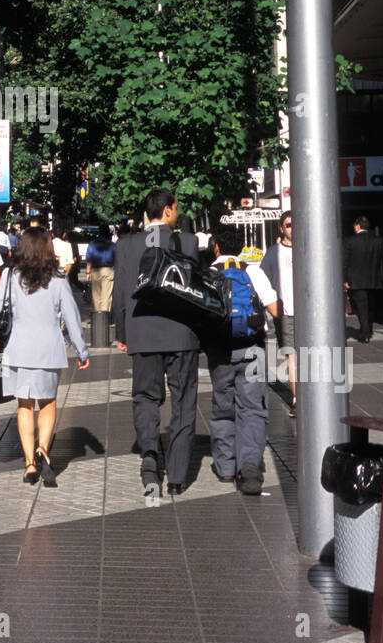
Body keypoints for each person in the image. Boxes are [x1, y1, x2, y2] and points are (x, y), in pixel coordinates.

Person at [113, 188, 201, 496]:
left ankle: (150, 454)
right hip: (182, 334)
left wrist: (122, 334)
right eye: (175, 209)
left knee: (146, 398)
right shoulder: (188, 242)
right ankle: (177, 476)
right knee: (183, 400)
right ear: (167, 211)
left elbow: (121, 292)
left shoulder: (126, 245)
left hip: (143, 334)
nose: (177, 213)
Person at [0, 227, 90, 485]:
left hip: (18, 349)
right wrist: (82, 350)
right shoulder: (57, 279)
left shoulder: (11, 276)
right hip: (49, 349)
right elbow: (71, 317)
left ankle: (29, 464)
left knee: (24, 405)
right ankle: (43, 448)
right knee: (48, 403)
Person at [206, 223, 280, 495]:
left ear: (216, 247)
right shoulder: (253, 271)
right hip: (252, 347)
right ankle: (249, 467)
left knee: (223, 406)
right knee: (252, 408)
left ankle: (225, 467)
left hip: (219, 350)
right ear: (241, 248)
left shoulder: (208, 274)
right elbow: (276, 310)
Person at [260, 209, 296, 416]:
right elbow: (264, 281)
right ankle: (296, 398)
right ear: (281, 228)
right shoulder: (273, 252)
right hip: (285, 313)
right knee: (293, 356)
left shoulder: (306, 249)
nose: (293, 229)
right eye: (289, 225)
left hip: (308, 313)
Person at [342, 216, 383, 343]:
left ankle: (365, 333)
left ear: (357, 226)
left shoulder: (349, 241)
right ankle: (368, 329)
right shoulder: (377, 241)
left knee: (361, 307)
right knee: (371, 306)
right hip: (374, 279)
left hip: (356, 280)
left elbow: (345, 262)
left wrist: (344, 279)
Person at [85, 224, 116, 313]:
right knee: (106, 296)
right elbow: (116, 259)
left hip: (95, 271)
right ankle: (105, 317)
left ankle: (98, 316)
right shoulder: (112, 245)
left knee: (96, 296)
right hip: (108, 270)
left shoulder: (92, 244)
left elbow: (89, 260)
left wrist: (87, 273)